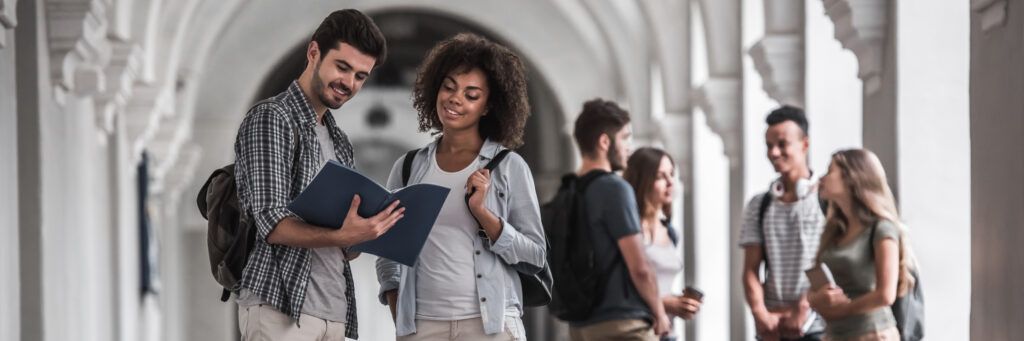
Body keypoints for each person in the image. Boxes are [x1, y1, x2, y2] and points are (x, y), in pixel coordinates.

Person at [233, 9, 403, 340]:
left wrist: (370, 232)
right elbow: (272, 223)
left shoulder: (339, 140)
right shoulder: (272, 119)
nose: (349, 83)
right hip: (280, 309)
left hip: (334, 312)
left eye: (360, 76)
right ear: (314, 53)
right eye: (342, 67)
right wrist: (342, 236)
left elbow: (342, 243)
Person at [375, 33, 546, 340]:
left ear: (488, 106)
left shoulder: (509, 167)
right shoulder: (408, 166)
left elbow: (535, 255)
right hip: (422, 326)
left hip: (490, 326)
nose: (455, 99)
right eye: (449, 87)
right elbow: (388, 249)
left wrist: (484, 214)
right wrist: (397, 306)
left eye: (471, 94)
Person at [565, 99, 671, 341]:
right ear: (605, 142)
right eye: (625, 138)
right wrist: (659, 312)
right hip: (624, 324)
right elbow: (640, 266)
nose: (629, 147)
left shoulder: (570, 190)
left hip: (581, 325)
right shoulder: (614, 187)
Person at [808, 149, 915, 341]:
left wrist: (843, 309)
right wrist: (816, 300)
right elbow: (815, 285)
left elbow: (885, 295)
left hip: (872, 335)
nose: (822, 178)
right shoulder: (834, 230)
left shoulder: (882, 228)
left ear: (851, 178)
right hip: (834, 336)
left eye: (829, 170)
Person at [739, 106, 826, 341]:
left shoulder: (827, 200)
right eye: (769, 146)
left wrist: (804, 307)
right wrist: (760, 314)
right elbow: (750, 269)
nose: (774, 152)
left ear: (804, 144)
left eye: (782, 144)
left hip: (818, 326)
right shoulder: (759, 205)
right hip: (772, 329)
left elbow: (834, 261)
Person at [623, 147, 702, 341]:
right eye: (660, 176)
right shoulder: (630, 231)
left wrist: (680, 303)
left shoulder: (670, 231)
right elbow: (621, 289)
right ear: (643, 181)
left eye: (672, 174)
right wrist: (666, 304)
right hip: (638, 332)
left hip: (668, 332)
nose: (670, 182)